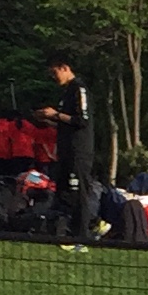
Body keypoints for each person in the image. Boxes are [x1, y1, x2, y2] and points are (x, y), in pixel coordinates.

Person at [37, 53, 94, 247]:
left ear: (65, 68)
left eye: (55, 72)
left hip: (79, 151)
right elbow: (66, 122)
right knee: (63, 191)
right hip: (65, 150)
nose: (54, 77)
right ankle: (61, 230)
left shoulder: (79, 88)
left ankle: (82, 237)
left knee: (79, 192)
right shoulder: (66, 91)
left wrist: (56, 115)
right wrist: (49, 120)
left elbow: (82, 120)